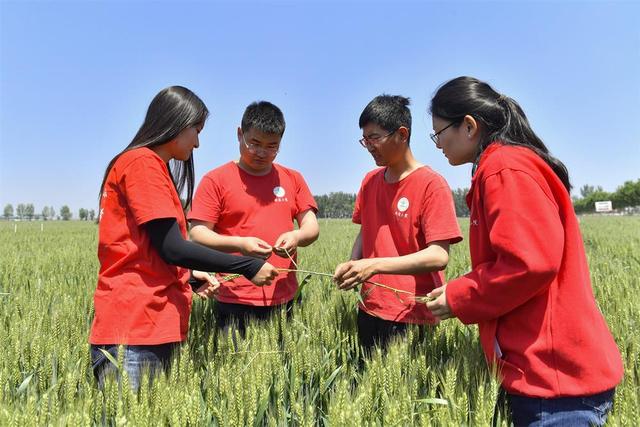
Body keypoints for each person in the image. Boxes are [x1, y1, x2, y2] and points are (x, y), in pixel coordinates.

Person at [425, 76, 623, 426]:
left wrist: (459, 296)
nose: (438, 144)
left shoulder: (504, 168)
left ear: (469, 126)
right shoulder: (508, 165)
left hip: (554, 384)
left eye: (439, 133)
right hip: (552, 376)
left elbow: (528, 264)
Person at [89, 86, 279, 390]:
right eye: (197, 130)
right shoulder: (142, 164)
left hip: (148, 320)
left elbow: (146, 248)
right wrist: (247, 266)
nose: (198, 143)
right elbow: (172, 247)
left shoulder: (148, 166)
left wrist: (190, 276)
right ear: (177, 123)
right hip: (137, 323)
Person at [333, 95, 462, 352]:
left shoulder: (431, 185)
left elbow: (438, 255)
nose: (369, 146)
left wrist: (373, 265)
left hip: (411, 313)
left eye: (375, 138)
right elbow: (366, 229)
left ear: (402, 134)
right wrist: (352, 263)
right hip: (369, 305)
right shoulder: (370, 181)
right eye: (365, 139)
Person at [188, 101, 319, 339]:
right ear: (240, 134)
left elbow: (311, 226)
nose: (261, 152)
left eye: (272, 146)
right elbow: (198, 232)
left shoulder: (293, 178)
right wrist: (240, 244)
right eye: (254, 143)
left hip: (283, 296)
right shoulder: (216, 180)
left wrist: (296, 236)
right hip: (233, 296)